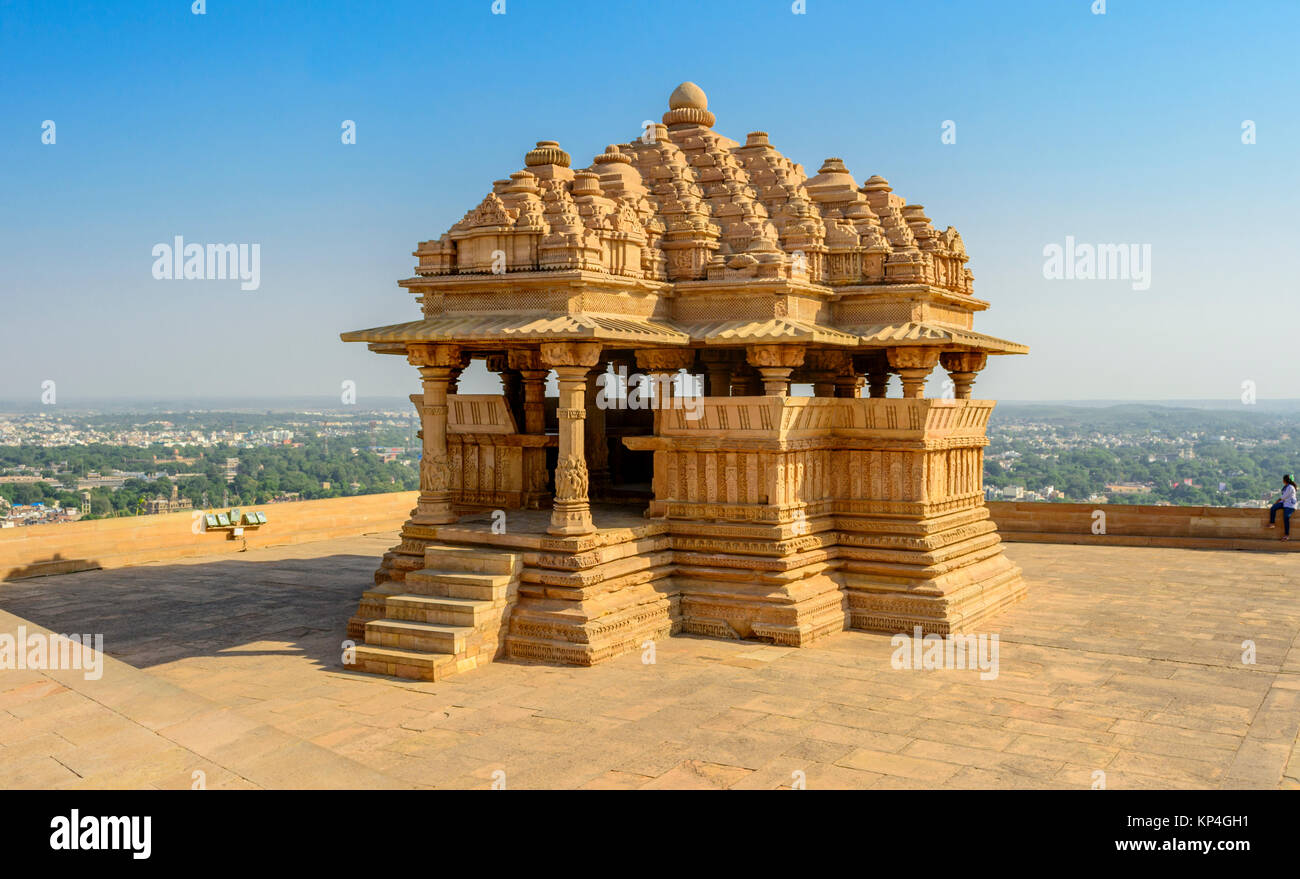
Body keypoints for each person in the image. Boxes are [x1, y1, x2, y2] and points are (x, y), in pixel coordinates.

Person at [1266, 474, 1297, 540]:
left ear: (1285, 480)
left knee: (1286, 517)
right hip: (1285, 503)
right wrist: (1276, 504)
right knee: (1273, 508)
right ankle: (1272, 523)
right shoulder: (1286, 487)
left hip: (1290, 505)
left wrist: (1277, 501)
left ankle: (1287, 535)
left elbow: (1284, 496)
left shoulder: (1290, 487)